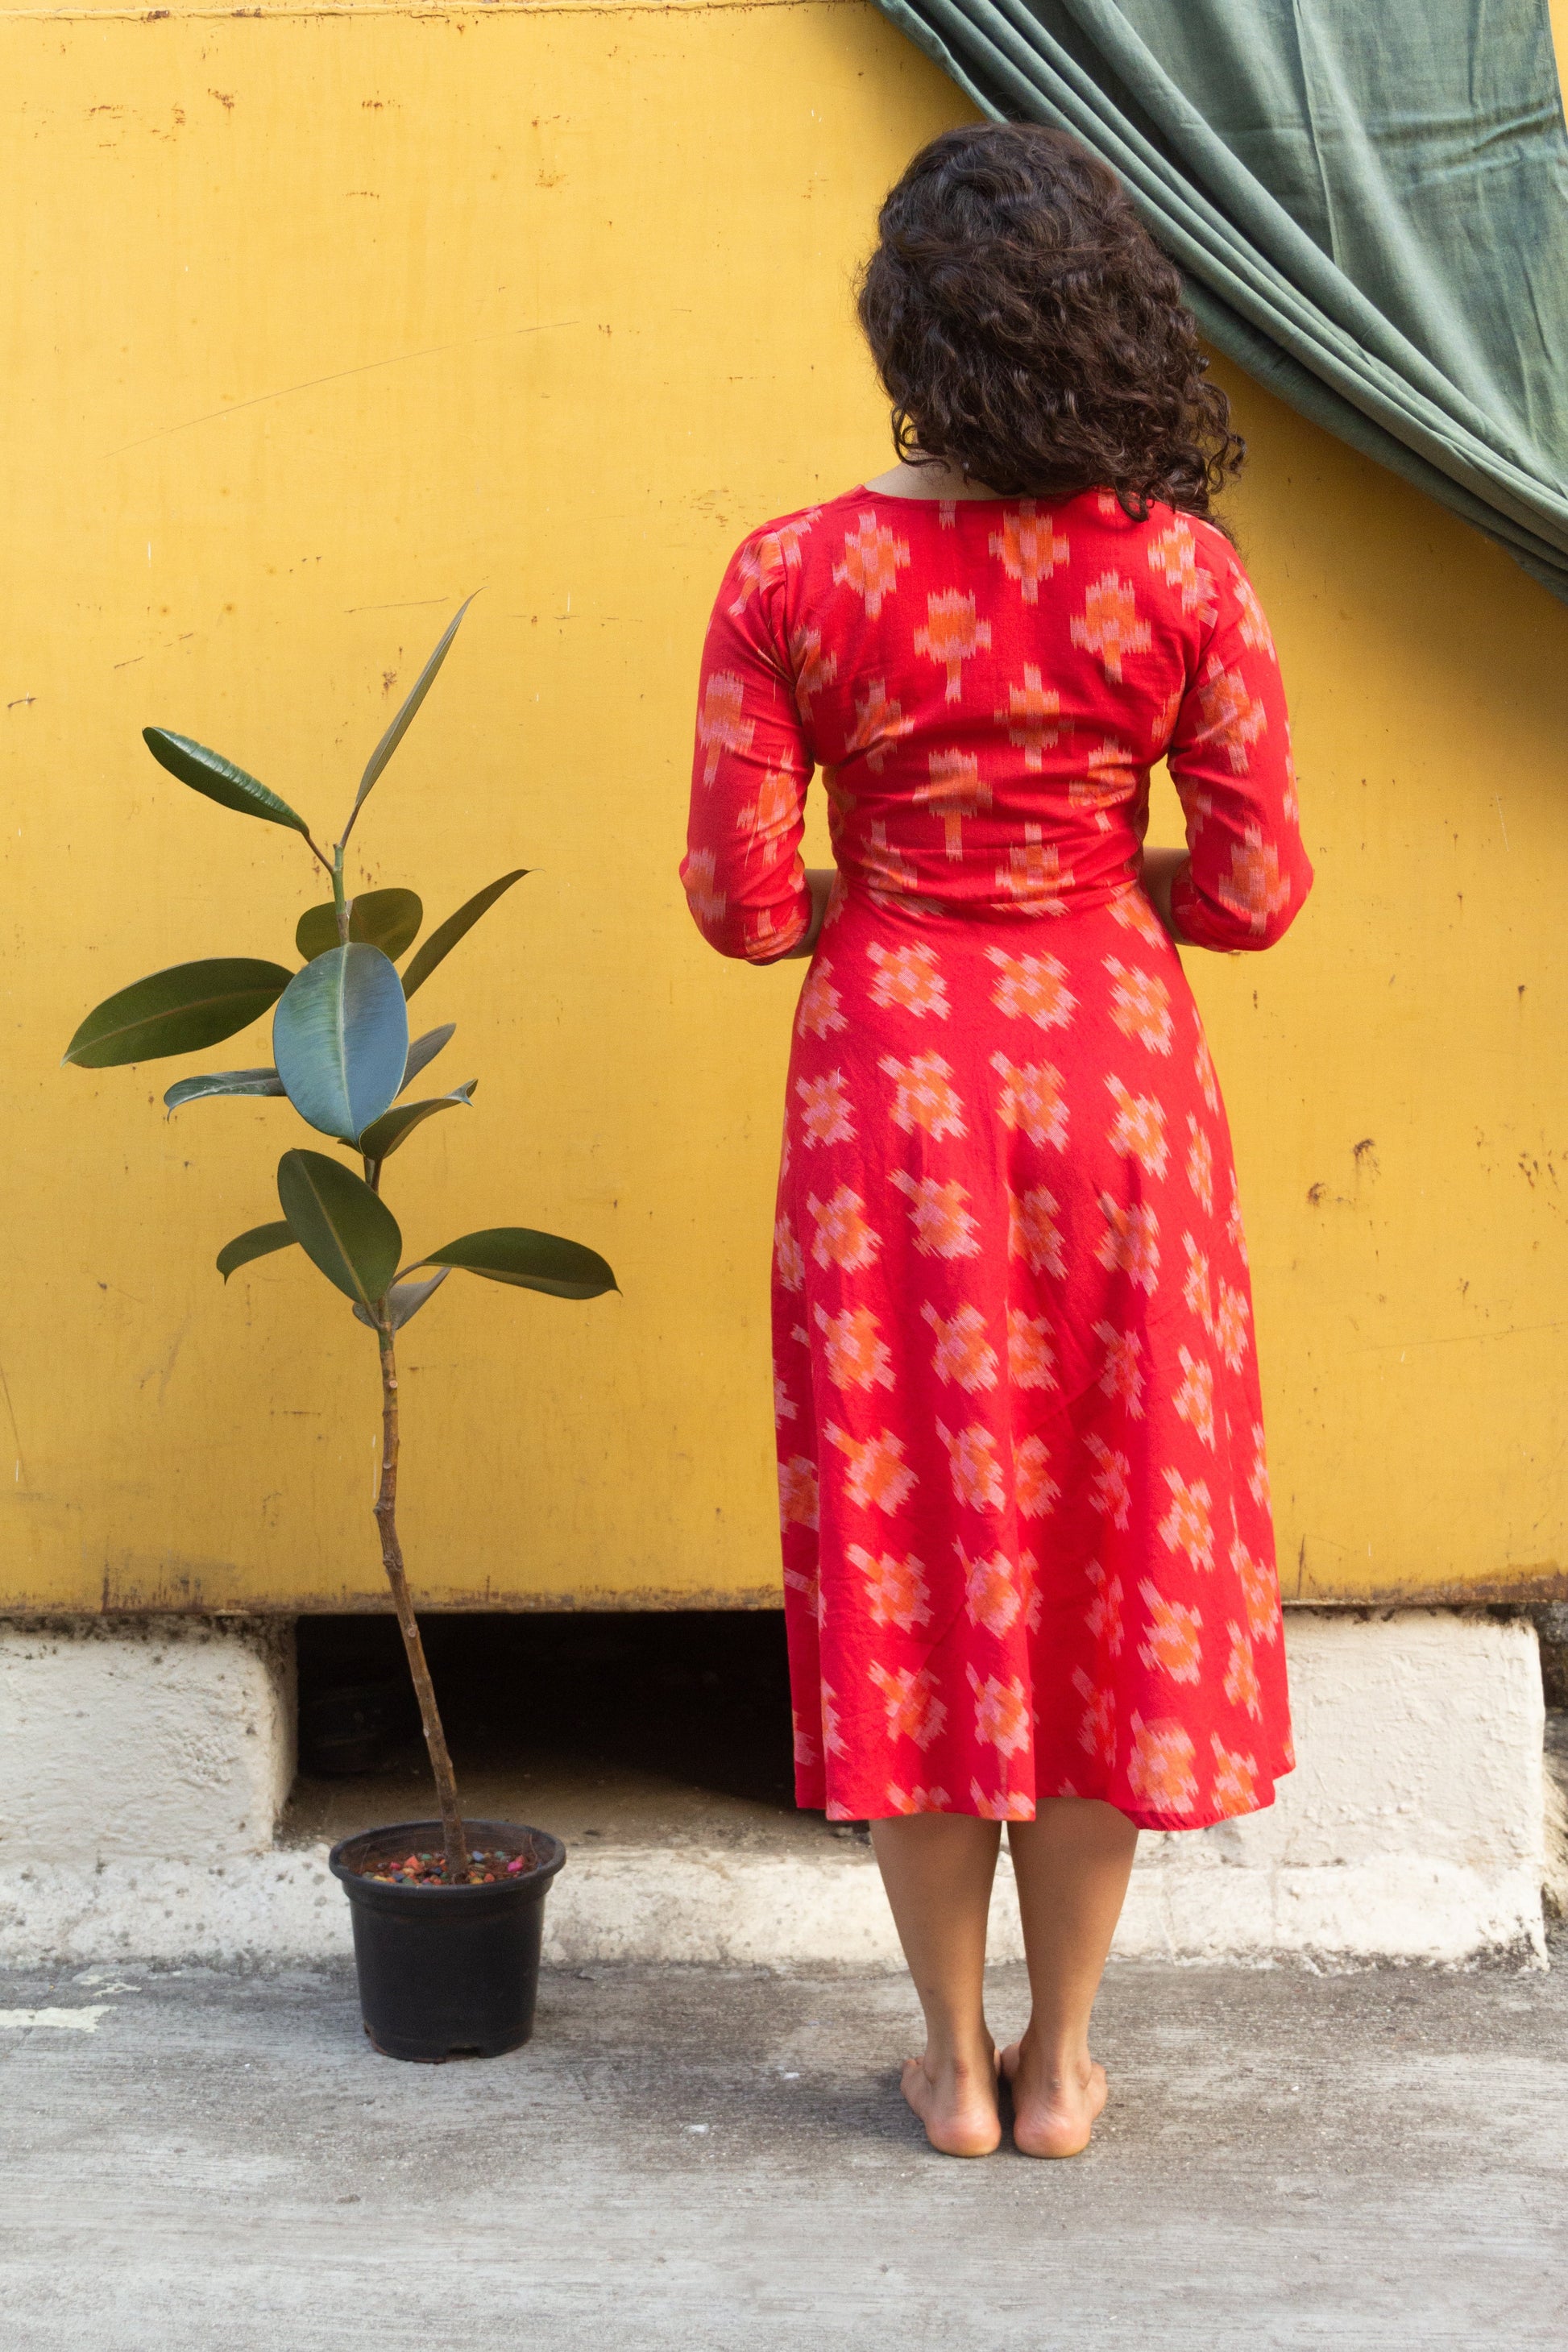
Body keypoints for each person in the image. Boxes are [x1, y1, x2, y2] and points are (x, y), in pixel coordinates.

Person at [681, 122, 1313, 2159]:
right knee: (1105, 1546)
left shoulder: (791, 572)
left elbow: (739, 901)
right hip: (1113, 1096)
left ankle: (943, 2060)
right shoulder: (1179, 575)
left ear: (907, 336)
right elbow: (1252, 887)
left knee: (922, 1548)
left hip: (888, 1100)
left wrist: (893, 883)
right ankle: (1062, 2065)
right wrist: (1090, 868)